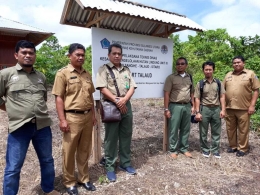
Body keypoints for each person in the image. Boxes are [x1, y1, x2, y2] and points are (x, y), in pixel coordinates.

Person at [0, 40, 59, 195]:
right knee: (13, 167)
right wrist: (12, 109)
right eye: (24, 52)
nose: (27, 56)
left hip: (42, 126)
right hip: (19, 127)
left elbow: (43, 98)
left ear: (35, 55)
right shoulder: (6, 75)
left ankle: (48, 189)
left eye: (31, 53)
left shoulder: (41, 76)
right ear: (16, 55)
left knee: (47, 160)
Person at [52, 43, 96, 195]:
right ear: (69, 56)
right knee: (69, 151)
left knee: (84, 149)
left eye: (83, 55)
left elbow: (90, 95)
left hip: (87, 116)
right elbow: (59, 98)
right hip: (71, 117)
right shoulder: (62, 73)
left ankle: (83, 178)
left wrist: (94, 115)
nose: (81, 57)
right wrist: (62, 120)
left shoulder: (86, 73)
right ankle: (69, 181)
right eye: (77, 54)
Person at [96, 43, 137, 182]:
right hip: (111, 106)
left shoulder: (126, 70)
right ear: (109, 55)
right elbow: (102, 88)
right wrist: (117, 101)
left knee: (126, 135)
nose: (117, 56)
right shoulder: (104, 69)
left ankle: (125, 163)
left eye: (119, 53)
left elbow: (132, 86)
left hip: (126, 105)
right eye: (114, 53)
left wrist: (124, 100)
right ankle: (110, 167)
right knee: (111, 138)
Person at [223, 56, 260, 157]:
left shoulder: (250, 74)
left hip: (244, 108)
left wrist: (252, 105)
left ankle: (243, 148)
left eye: (238, 62)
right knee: (230, 128)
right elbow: (223, 91)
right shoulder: (228, 75)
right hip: (229, 108)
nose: (236, 64)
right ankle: (233, 146)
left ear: (243, 63)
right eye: (234, 63)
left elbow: (256, 90)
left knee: (243, 130)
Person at [163, 57, 195, 159]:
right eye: (178, 64)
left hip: (186, 106)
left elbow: (192, 92)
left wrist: (193, 105)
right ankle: (173, 149)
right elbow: (166, 93)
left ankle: (184, 148)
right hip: (175, 106)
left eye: (182, 64)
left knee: (185, 129)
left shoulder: (189, 77)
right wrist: (166, 109)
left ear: (186, 65)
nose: (179, 65)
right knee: (174, 128)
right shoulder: (171, 78)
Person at [194, 61, 226, 158]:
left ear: (213, 70)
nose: (208, 71)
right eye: (206, 69)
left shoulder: (219, 83)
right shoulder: (200, 83)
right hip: (205, 109)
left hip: (216, 109)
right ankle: (205, 149)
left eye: (210, 69)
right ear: (203, 71)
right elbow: (197, 98)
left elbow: (222, 97)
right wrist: (197, 112)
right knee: (203, 131)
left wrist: (223, 109)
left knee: (216, 131)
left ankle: (215, 150)